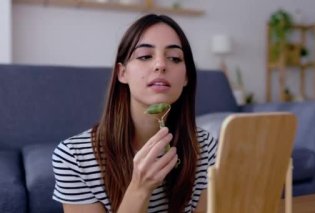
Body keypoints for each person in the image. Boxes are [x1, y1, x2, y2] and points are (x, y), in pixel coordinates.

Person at [52, 14, 217, 213]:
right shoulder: (73, 157)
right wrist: (140, 189)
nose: (160, 65)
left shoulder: (205, 147)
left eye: (174, 58)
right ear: (122, 73)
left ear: (186, 77)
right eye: (145, 56)